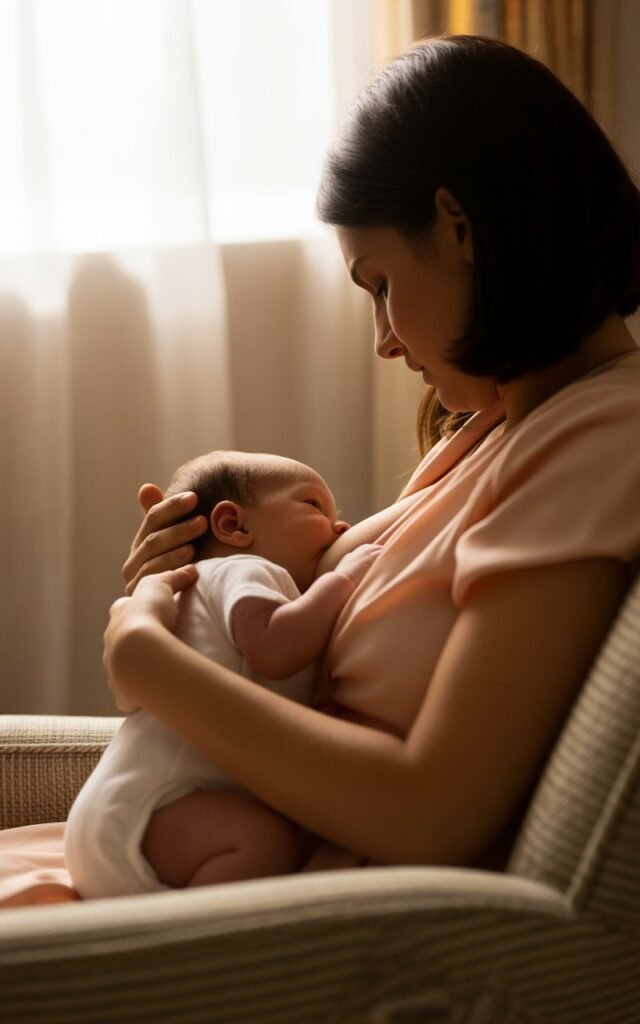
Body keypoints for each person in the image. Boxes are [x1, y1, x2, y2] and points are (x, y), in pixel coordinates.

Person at [105, 35, 640, 873]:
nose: (384, 340)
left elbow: (430, 814)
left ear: (459, 228)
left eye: (381, 285)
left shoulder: (598, 436)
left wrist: (148, 662)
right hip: (259, 849)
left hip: (351, 907)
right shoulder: (499, 423)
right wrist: (195, 582)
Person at [65, 451, 379, 897]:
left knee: (272, 839)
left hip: (135, 816)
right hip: (158, 808)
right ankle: (193, 937)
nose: (341, 527)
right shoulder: (244, 569)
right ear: (233, 525)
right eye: (314, 506)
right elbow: (274, 647)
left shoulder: (201, 588)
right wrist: (344, 579)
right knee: (263, 841)